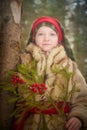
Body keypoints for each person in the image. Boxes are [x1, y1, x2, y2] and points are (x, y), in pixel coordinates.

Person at [13, 16, 87, 130]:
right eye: (41, 34)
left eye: (52, 34)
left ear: (59, 38)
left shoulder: (70, 67)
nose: (46, 38)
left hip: (61, 124)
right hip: (28, 124)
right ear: (34, 37)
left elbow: (82, 99)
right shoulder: (22, 64)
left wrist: (78, 117)